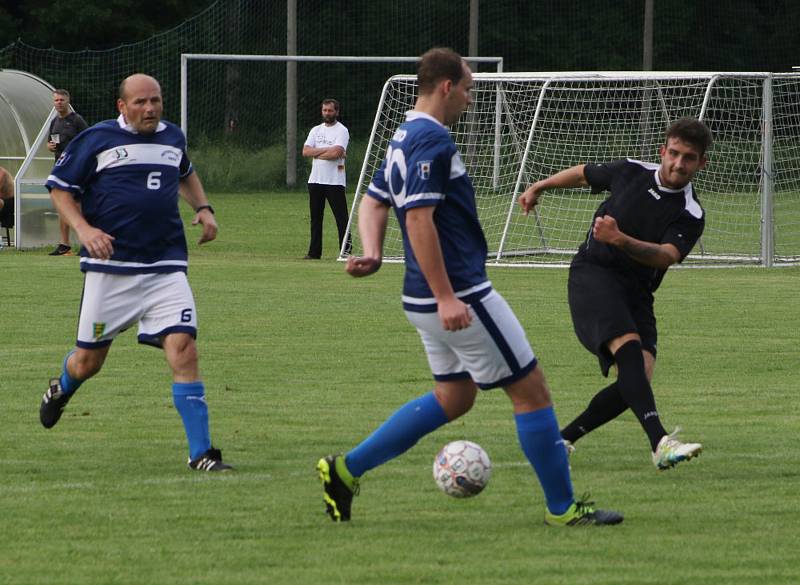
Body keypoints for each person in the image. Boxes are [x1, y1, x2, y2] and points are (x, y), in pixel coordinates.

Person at [317, 48, 622, 526]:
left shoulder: (402, 135)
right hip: (459, 294)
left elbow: (374, 200)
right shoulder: (432, 141)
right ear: (446, 87)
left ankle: (345, 469)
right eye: (468, 89)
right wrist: (445, 295)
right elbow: (418, 219)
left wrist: (374, 253)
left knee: (454, 397)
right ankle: (563, 510)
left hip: (421, 296)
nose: (470, 99)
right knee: (533, 392)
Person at [40, 73, 232, 472]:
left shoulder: (172, 137)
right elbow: (60, 189)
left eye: (156, 101)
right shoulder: (96, 139)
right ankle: (62, 387)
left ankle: (201, 454)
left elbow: (185, 172)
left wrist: (203, 208)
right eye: (141, 102)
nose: (150, 109)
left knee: (184, 349)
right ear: (122, 106)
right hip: (112, 270)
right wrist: (85, 229)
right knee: (88, 363)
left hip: (165, 265)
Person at [518, 117, 713, 471]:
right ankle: (660, 442)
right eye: (674, 153)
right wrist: (539, 186)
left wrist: (620, 238)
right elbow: (583, 173)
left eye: (688, 157)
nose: (678, 164)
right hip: (595, 273)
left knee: (638, 378)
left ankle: (559, 440)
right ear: (662, 151)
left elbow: (667, 256)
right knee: (628, 352)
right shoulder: (631, 171)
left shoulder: (690, 212)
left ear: (702, 163)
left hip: (637, 291)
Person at [301, 98, 352, 259]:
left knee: (341, 218)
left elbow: (337, 153)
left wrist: (318, 152)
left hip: (334, 181)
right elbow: (306, 151)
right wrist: (327, 151)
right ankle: (314, 253)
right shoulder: (315, 130)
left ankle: (346, 252)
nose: (327, 113)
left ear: (337, 112)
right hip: (315, 180)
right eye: (325, 110)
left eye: (330, 110)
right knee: (316, 218)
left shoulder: (342, 131)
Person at [47, 89, 88, 256]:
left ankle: (86, 243)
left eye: (62, 100)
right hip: (60, 168)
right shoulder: (54, 122)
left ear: (68, 101)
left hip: (77, 168)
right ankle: (64, 245)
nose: (59, 103)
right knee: (61, 206)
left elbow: (88, 141)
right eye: (56, 100)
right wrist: (49, 147)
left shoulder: (77, 120)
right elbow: (50, 143)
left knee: (78, 206)